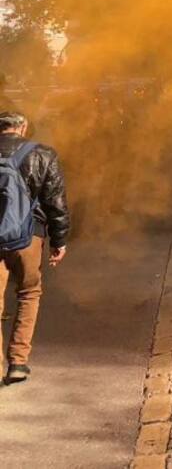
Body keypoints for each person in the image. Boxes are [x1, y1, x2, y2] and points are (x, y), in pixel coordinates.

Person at [0, 111, 69, 384]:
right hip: (29, 237)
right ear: (23, 128)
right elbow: (56, 202)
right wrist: (59, 241)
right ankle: (18, 362)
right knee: (28, 293)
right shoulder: (43, 154)